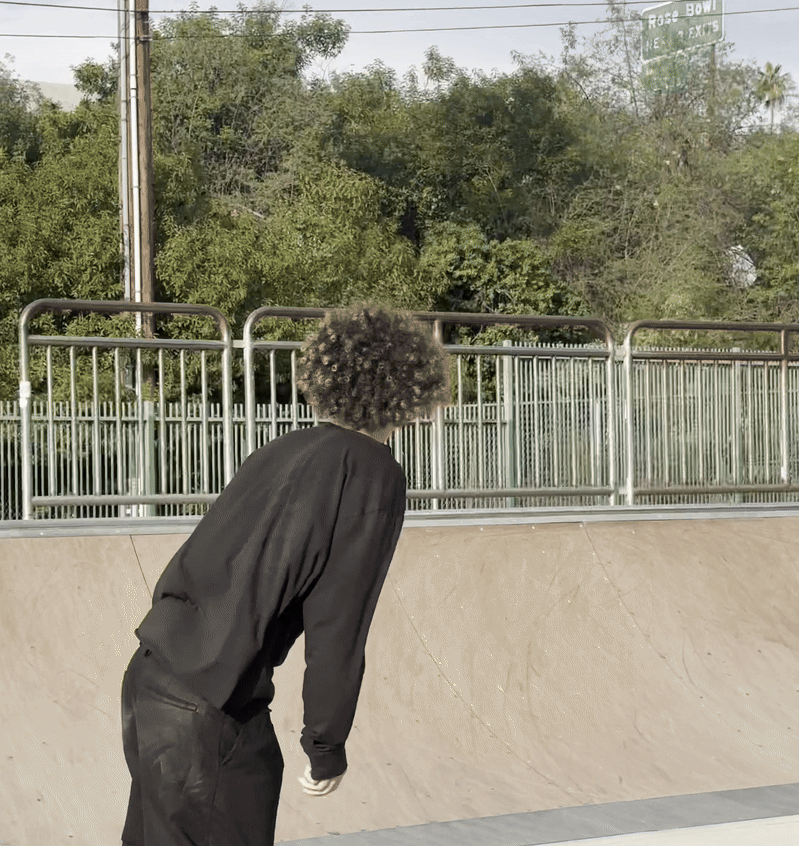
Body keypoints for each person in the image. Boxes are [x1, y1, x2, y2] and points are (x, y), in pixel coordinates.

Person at [119, 299, 451, 846]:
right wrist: (326, 743)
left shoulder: (283, 448)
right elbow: (338, 621)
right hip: (211, 706)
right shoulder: (371, 471)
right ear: (410, 391)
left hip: (151, 678)